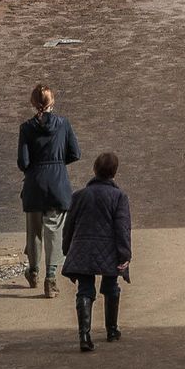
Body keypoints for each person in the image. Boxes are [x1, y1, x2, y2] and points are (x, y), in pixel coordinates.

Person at [62, 151, 132, 353]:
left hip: (83, 249)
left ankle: (84, 335)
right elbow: (122, 228)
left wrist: (67, 249)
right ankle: (112, 330)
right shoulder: (119, 197)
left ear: (94, 170)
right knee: (111, 286)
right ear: (114, 173)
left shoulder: (79, 196)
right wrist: (125, 254)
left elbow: (69, 226)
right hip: (109, 250)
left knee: (84, 289)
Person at [18, 85, 81, 298]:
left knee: (34, 231)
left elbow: (23, 162)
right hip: (57, 183)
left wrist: (36, 168)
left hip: (34, 184)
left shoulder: (26, 128)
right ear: (52, 102)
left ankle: (33, 270)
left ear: (33, 103)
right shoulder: (63, 124)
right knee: (54, 230)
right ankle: (51, 277)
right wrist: (58, 163)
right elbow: (75, 153)